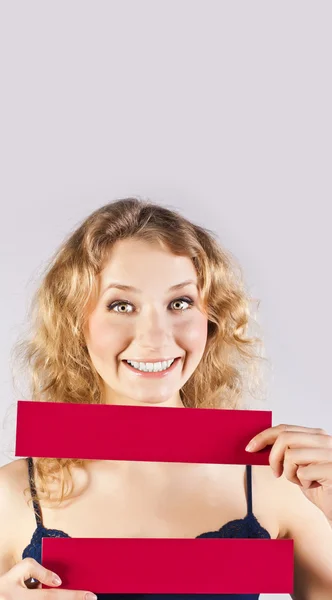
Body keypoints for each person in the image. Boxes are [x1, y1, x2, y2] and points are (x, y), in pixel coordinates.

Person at [0, 197, 332, 600]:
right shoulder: (12, 494)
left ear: (210, 320)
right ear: (76, 324)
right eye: (121, 305)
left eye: (180, 303)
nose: (155, 337)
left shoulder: (280, 484)